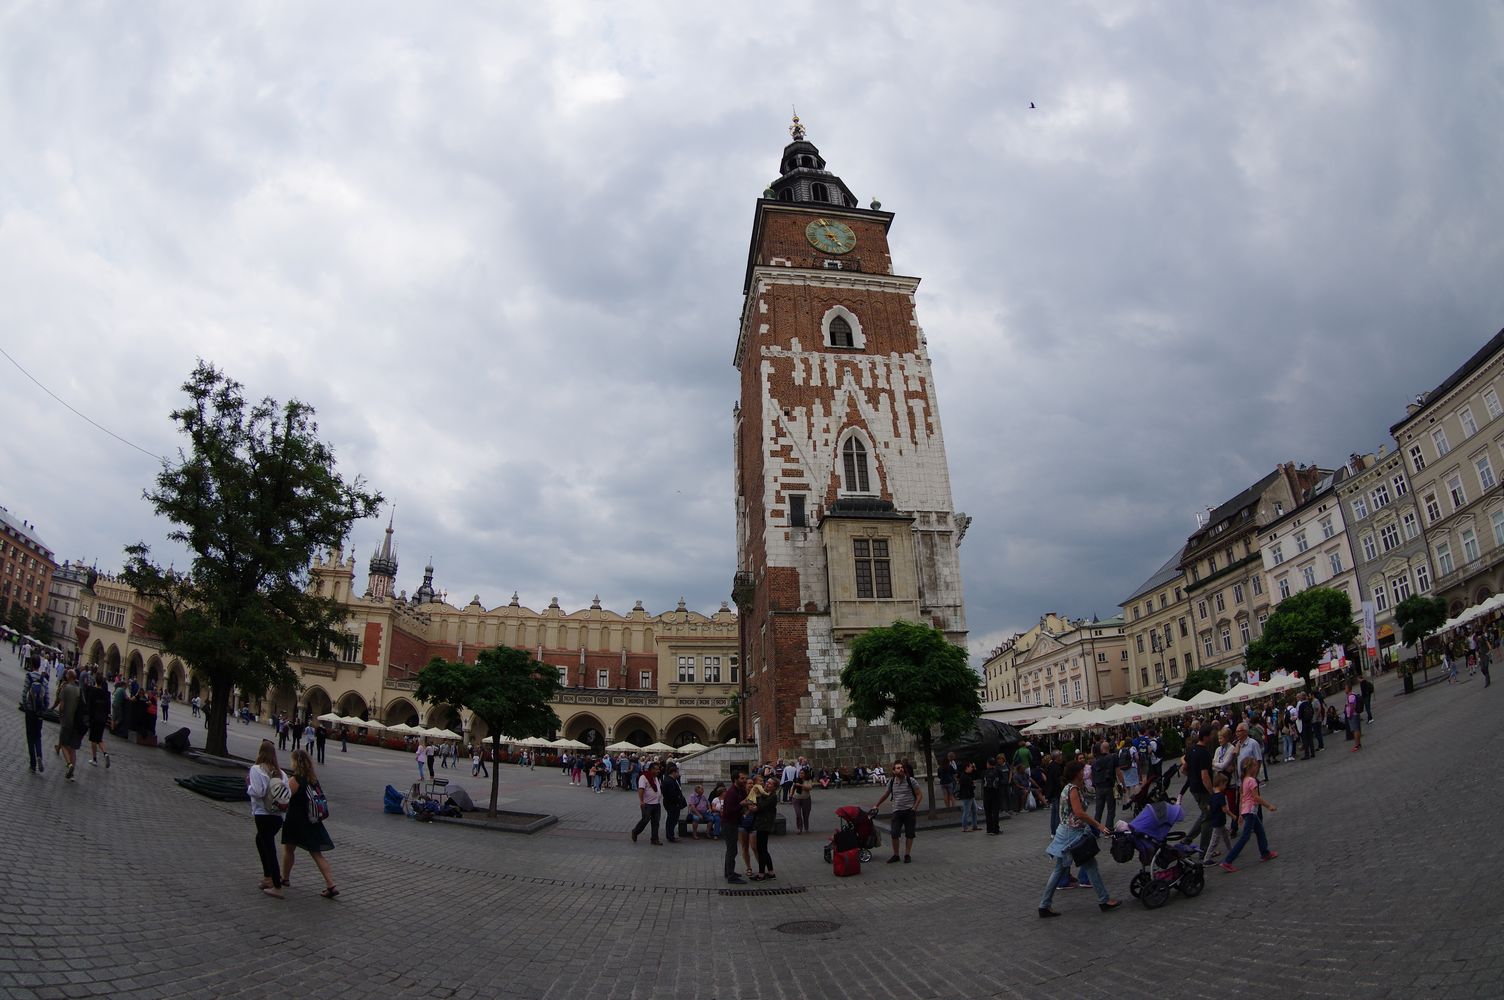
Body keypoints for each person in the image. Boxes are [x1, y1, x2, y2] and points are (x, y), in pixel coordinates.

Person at [1038, 760, 1121, 917]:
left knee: (1061, 869)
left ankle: (1044, 905)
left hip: (1065, 832)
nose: (1084, 773)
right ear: (1077, 773)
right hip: (1073, 834)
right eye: (1082, 771)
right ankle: (1104, 900)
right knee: (1090, 866)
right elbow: (1079, 813)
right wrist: (1099, 825)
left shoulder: (1069, 787)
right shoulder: (1073, 789)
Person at [280, 749, 338, 898]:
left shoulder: (296, 779)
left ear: (295, 762)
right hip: (312, 820)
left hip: (296, 821)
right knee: (316, 853)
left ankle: (285, 878)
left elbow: (284, 798)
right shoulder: (312, 779)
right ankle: (331, 884)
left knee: (289, 849)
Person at [1220, 756, 1278, 872]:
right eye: (1255, 765)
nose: (1257, 767)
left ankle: (1265, 853)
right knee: (1245, 837)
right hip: (1251, 811)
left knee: (1260, 832)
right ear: (1250, 768)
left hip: (1248, 811)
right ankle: (1228, 861)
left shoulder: (1244, 780)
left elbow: (1242, 798)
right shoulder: (1252, 781)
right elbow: (1256, 797)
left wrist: (1241, 813)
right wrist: (1269, 806)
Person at [247, 741, 288, 898]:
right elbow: (287, 793)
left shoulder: (256, 769)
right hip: (278, 815)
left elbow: (257, 791)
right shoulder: (282, 773)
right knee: (261, 840)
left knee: (269, 848)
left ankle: (276, 884)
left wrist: (248, 786)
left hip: (263, 814)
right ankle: (267, 877)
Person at [874, 760, 923, 863]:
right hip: (897, 811)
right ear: (893, 771)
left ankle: (907, 854)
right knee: (894, 833)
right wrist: (877, 805)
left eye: (901, 767)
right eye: (898, 768)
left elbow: (919, 795)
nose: (901, 769)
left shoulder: (911, 780)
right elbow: (886, 795)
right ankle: (896, 855)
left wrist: (914, 808)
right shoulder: (892, 782)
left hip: (909, 810)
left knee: (909, 834)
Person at [1182, 724, 1216, 856]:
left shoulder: (1191, 750)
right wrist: (1212, 792)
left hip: (1194, 788)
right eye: (1211, 735)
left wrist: (1192, 777)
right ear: (1206, 736)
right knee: (1208, 818)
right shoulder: (1204, 753)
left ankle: (1187, 840)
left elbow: (1183, 769)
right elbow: (1205, 776)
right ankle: (1205, 850)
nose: (1212, 738)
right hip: (1203, 790)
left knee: (1204, 815)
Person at [54, 669, 83, 781]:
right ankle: (72, 774)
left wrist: (60, 714)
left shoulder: (65, 688)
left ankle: (69, 764)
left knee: (64, 745)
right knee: (73, 749)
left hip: (67, 721)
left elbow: (61, 707)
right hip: (77, 723)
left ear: (69, 676)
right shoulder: (79, 690)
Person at [721, 772, 749, 884]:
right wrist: (741, 805)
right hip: (729, 824)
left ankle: (728, 872)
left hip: (733, 823)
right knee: (732, 850)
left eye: (745, 778)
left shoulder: (740, 790)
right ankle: (731, 876)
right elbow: (729, 811)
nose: (744, 780)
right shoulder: (731, 793)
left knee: (731, 849)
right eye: (742, 778)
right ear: (735, 780)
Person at [751, 775, 780, 879]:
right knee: (763, 849)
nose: (767, 784)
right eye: (767, 782)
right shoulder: (767, 794)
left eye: (770, 783)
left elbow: (760, 806)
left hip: (764, 824)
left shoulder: (772, 796)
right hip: (762, 823)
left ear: (774, 787)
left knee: (761, 849)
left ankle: (761, 874)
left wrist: (757, 797)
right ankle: (771, 872)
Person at [20, 660, 47, 773]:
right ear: (39, 665)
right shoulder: (44, 680)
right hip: (39, 713)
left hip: (30, 712)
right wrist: (43, 709)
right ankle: (39, 755)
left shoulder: (29, 676)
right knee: (37, 736)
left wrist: (26, 706)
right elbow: (47, 699)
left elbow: (24, 694)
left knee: (30, 737)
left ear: (32, 665)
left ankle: (33, 764)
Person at [1203, 772, 1235, 864]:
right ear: (1221, 784)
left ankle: (1232, 850)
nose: (1225, 786)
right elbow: (1225, 809)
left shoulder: (1212, 795)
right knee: (1214, 841)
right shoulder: (1221, 796)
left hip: (1216, 820)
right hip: (1219, 821)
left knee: (1226, 836)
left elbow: (1208, 807)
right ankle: (1207, 859)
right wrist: (1232, 816)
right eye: (1225, 784)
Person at [631, 762, 664, 845]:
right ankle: (635, 831)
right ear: (651, 769)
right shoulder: (644, 777)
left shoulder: (656, 778)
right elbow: (641, 789)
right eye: (656, 769)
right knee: (645, 820)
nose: (658, 771)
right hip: (647, 804)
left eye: (658, 769)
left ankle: (654, 839)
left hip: (656, 804)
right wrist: (641, 801)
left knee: (656, 822)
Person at [1091, 740, 1122, 828]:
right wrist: (1122, 784)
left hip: (1099, 787)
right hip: (1109, 786)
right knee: (1111, 810)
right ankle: (1108, 830)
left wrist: (1094, 785)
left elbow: (1092, 774)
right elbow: (1118, 772)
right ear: (1109, 748)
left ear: (1101, 749)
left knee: (1098, 810)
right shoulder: (1113, 757)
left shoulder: (1095, 761)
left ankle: (1095, 830)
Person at [85, 674, 111, 769]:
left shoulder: (93, 691)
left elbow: (90, 706)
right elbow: (108, 708)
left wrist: (89, 717)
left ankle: (94, 759)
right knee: (99, 738)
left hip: (94, 718)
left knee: (93, 739)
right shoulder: (107, 693)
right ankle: (105, 753)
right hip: (103, 718)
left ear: (96, 681)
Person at [982, 754, 1007, 834]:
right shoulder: (998, 771)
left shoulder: (984, 772)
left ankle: (989, 829)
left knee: (988, 813)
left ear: (988, 764)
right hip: (996, 794)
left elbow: (983, 783)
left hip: (986, 795)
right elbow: (1002, 781)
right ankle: (996, 829)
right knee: (995, 812)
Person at [662, 765, 687, 843]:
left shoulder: (670, 780)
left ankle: (670, 835)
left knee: (672, 820)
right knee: (671, 820)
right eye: (677, 773)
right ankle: (670, 836)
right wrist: (678, 801)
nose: (678, 774)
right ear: (673, 772)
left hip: (671, 803)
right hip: (672, 804)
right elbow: (672, 795)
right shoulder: (669, 781)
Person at [958, 761, 978, 831]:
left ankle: (974, 826)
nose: (972, 768)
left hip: (970, 795)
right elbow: (967, 787)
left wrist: (974, 768)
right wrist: (973, 786)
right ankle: (965, 827)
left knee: (974, 810)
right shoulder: (964, 776)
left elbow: (975, 775)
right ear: (967, 768)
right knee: (966, 811)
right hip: (967, 796)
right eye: (970, 767)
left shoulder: (968, 774)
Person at [1344, 681, 1364, 752]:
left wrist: (1350, 715)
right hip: (1356, 714)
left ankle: (1356, 745)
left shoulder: (1350, 696)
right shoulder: (1353, 694)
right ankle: (1359, 743)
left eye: (1345, 688)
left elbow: (1352, 707)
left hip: (1353, 715)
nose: (1344, 690)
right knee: (1357, 729)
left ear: (1348, 689)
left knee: (1355, 730)